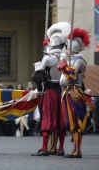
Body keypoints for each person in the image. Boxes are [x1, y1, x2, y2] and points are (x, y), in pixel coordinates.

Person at [31, 22, 70, 157]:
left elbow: (37, 76)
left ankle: (45, 148)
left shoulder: (47, 57)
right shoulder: (67, 57)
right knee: (61, 119)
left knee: (47, 118)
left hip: (50, 91)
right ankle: (60, 148)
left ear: (52, 44)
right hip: (63, 91)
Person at [59, 27, 91, 158]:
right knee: (69, 121)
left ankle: (77, 150)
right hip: (68, 92)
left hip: (74, 92)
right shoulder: (72, 59)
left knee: (75, 121)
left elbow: (71, 75)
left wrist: (64, 65)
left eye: (69, 46)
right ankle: (75, 149)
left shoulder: (78, 61)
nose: (67, 48)